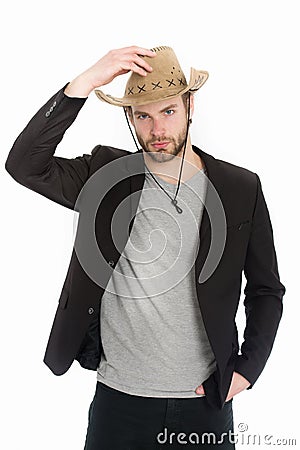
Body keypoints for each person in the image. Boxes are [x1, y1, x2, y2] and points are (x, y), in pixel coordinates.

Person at [5, 45, 286, 449]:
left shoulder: (241, 188)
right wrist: (84, 83)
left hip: (205, 404)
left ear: (190, 106)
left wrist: (248, 368)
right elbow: (24, 164)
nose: (157, 129)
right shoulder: (105, 176)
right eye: (143, 115)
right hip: (120, 403)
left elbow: (266, 290)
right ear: (131, 119)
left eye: (168, 111)